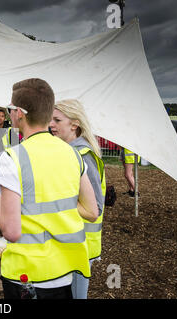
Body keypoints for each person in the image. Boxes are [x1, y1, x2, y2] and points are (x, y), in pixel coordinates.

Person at [0, 78, 98, 299]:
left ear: (20, 113)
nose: (10, 113)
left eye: (10, 109)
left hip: (25, 275)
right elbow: (92, 211)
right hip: (64, 272)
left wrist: (2, 197)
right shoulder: (72, 153)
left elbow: (10, 231)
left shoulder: (12, 157)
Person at [50, 99, 106, 299]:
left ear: (74, 124)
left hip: (81, 246)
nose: (51, 125)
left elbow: (94, 210)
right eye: (51, 119)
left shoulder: (83, 156)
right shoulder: (69, 152)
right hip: (69, 242)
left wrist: (54, 201)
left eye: (57, 120)